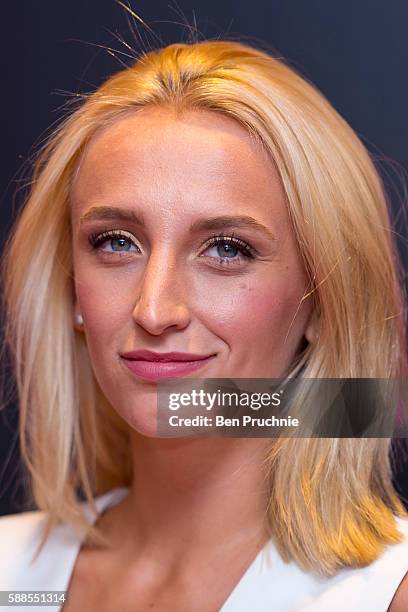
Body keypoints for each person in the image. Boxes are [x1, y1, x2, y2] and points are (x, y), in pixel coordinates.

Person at [0, 38, 407, 611]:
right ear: (71, 287)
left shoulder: (384, 593)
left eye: (226, 249)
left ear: (321, 300)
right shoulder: (11, 575)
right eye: (116, 242)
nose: (155, 310)